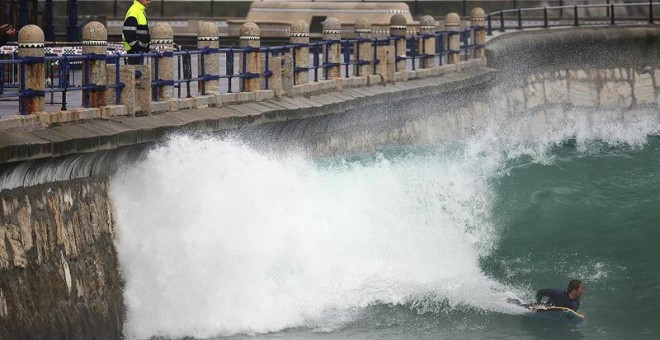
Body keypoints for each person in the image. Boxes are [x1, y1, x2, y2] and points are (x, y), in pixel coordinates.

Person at [122, 0, 151, 65]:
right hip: (134, 51)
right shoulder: (134, 11)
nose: (149, 2)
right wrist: (136, 47)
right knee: (136, 73)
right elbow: (128, 33)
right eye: (147, 0)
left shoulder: (140, 11)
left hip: (137, 50)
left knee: (138, 73)